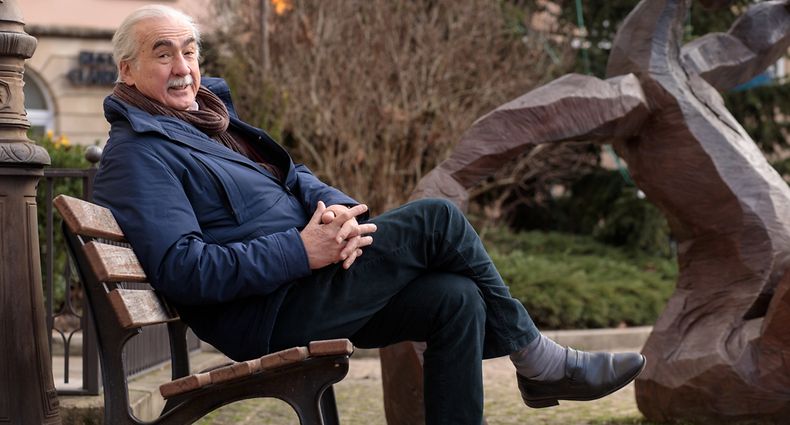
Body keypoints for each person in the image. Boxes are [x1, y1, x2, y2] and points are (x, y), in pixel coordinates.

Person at [92, 5, 646, 424]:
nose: (183, 67)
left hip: (308, 283)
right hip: (269, 312)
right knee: (437, 219)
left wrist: (339, 214)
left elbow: (298, 179)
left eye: (189, 50)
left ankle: (538, 365)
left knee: (456, 299)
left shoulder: (214, 123)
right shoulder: (138, 153)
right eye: (163, 53)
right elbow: (184, 268)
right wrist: (303, 250)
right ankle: (542, 362)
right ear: (128, 70)